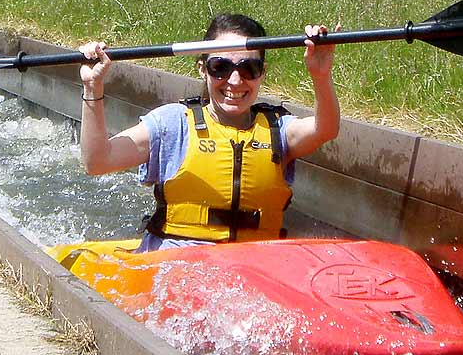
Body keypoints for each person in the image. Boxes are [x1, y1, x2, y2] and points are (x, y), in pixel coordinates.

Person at [76, 13, 340, 252]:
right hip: (178, 258)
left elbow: (325, 128)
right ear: (203, 70)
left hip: (258, 263)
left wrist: (321, 75)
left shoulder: (278, 130)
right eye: (220, 67)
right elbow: (97, 161)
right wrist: (92, 86)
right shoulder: (173, 124)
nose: (235, 81)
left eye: (249, 69)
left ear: (262, 74)